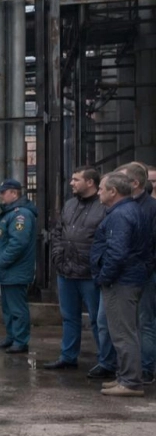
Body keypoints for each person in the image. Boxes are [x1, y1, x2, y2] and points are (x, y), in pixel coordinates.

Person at [44, 167, 107, 370]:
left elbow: (106, 240)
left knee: (99, 320)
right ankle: (68, 356)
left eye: (76, 179)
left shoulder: (103, 206)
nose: (71, 183)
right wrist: (58, 257)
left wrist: (98, 265)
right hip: (66, 272)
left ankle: (106, 362)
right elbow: (57, 232)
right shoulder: (70, 205)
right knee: (69, 317)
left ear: (90, 182)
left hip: (90, 274)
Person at [91, 172, 147, 397]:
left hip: (121, 282)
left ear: (113, 192)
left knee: (123, 333)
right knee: (125, 331)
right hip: (128, 278)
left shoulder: (120, 215)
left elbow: (117, 252)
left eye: (102, 189)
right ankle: (125, 377)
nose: (98, 193)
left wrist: (104, 277)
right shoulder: (131, 210)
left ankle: (131, 382)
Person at [116, 162, 156, 384]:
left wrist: (146, 268)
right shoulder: (124, 205)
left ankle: (147, 368)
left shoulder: (151, 208)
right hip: (126, 275)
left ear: (135, 183)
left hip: (145, 274)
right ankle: (126, 369)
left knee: (145, 322)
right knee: (127, 325)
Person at [0, 179, 38, 354]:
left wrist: (2, 261)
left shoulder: (20, 215)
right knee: (8, 307)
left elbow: (18, 243)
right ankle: (12, 337)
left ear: (14, 193)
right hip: (9, 271)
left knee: (17, 308)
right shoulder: (11, 213)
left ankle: (20, 340)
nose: (1, 196)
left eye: (3, 192)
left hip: (15, 270)